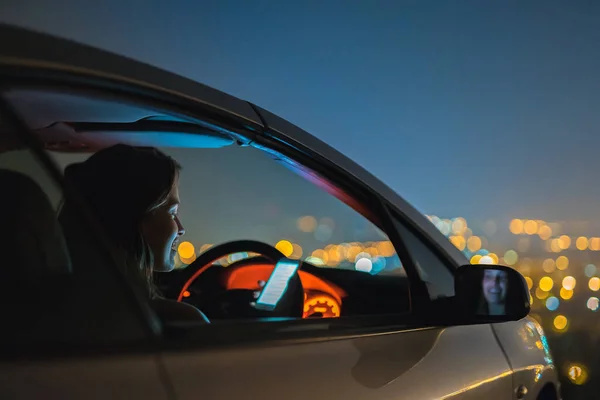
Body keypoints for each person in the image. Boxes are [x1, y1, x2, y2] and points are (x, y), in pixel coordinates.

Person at [60, 144, 209, 323]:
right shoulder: (178, 319)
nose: (180, 228)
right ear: (134, 218)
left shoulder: (58, 303)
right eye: (172, 213)